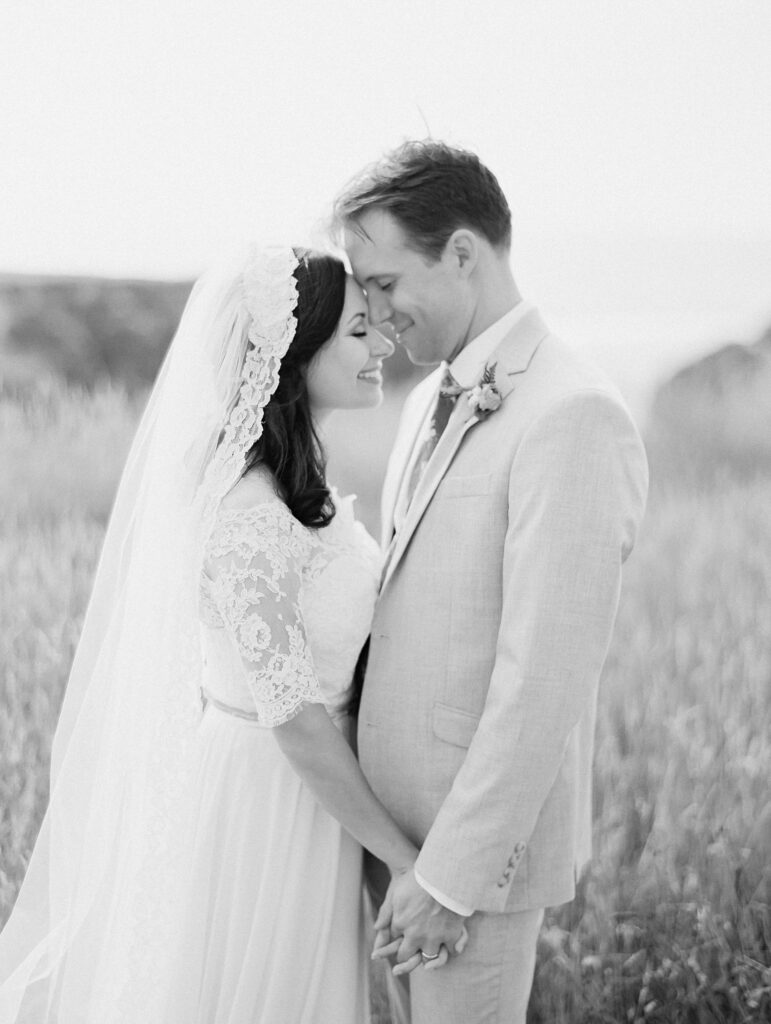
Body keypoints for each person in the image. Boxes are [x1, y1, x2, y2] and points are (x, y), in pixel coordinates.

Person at [0, 246, 462, 1024]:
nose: (381, 344)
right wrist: (408, 861)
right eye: (357, 331)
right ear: (293, 354)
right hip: (266, 805)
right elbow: (294, 718)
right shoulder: (247, 514)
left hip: (312, 805)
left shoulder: (289, 488)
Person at [334, 141, 649, 1024]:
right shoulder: (428, 402)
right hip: (388, 846)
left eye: (387, 282)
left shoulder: (571, 414)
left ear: (463, 253)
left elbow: (543, 682)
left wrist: (448, 878)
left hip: (465, 873)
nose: (375, 310)